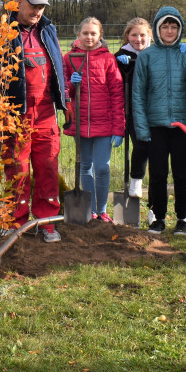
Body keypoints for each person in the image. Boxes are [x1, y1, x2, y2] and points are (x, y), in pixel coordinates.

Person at [2, 0, 67, 243]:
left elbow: (59, 69)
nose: (37, 11)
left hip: (45, 113)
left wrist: (66, 102)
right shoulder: (4, 33)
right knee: (17, 170)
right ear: (20, 3)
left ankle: (47, 222)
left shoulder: (48, 31)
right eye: (33, 5)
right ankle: (15, 222)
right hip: (17, 113)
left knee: (47, 168)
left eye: (41, 7)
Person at [132, 7, 186, 235]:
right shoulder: (147, 56)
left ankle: (182, 218)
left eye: (174, 27)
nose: (169, 31)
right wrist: (141, 127)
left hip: (182, 125)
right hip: (156, 125)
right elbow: (138, 94)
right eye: (165, 26)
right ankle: (158, 218)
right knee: (158, 174)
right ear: (157, 29)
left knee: (182, 174)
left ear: (180, 29)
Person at [63, 17, 125, 222]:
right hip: (80, 123)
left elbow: (117, 95)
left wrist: (119, 128)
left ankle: (102, 209)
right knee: (85, 166)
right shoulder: (69, 58)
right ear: (78, 34)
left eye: (93, 33)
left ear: (100, 35)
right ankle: (88, 211)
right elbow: (64, 92)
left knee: (101, 167)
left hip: (104, 124)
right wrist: (71, 85)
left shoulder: (108, 59)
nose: (89, 37)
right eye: (85, 33)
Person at [113, 18, 153, 200]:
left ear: (150, 36)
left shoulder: (155, 54)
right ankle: (136, 179)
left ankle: (154, 193)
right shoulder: (121, 56)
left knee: (156, 150)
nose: (138, 39)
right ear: (127, 36)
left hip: (153, 109)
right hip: (131, 112)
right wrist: (119, 64)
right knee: (141, 145)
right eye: (134, 35)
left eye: (143, 35)